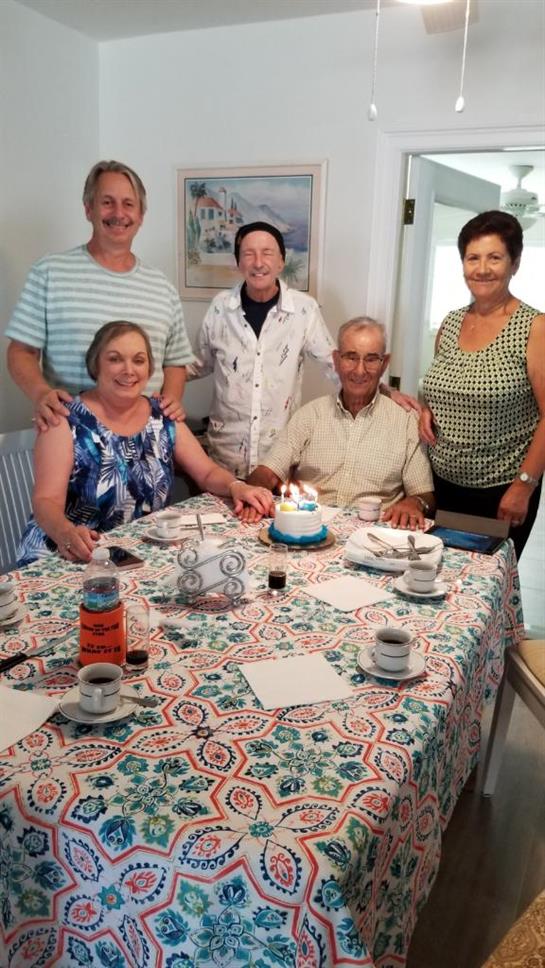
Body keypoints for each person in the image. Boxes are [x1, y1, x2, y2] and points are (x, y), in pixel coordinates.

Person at [16, 321, 274, 567]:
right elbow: (46, 500)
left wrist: (236, 486)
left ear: (150, 369)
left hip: (135, 555)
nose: (129, 370)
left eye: (138, 360)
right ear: (95, 365)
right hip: (67, 552)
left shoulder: (162, 415)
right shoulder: (63, 419)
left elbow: (206, 472)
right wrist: (66, 533)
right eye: (115, 359)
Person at [190, 221, 419, 478]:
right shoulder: (221, 308)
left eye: (267, 253)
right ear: (238, 262)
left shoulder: (303, 310)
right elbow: (199, 363)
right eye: (248, 254)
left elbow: (337, 367)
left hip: (278, 459)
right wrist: (153, 379)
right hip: (223, 460)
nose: (258, 262)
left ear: (281, 261)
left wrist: (386, 391)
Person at [6, 160, 194, 432]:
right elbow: (20, 351)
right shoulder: (50, 272)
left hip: (145, 443)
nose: (119, 213)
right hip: (68, 437)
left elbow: (175, 361)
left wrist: (172, 400)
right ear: (88, 209)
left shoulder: (162, 286)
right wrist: (40, 393)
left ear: (141, 215)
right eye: (107, 202)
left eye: (129, 204)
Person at [419, 211, 544, 559]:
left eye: (495, 257)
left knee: (483, 582)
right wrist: (427, 409)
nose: (483, 268)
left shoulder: (534, 327)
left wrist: (523, 487)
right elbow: (442, 384)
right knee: (437, 572)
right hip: (441, 484)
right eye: (473, 258)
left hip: (500, 491)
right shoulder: (451, 321)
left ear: (515, 263)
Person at [247, 317, 434, 529]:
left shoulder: (406, 422)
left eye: (371, 359)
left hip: (374, 538)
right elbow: (266, 472)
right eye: (351, 358)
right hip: (308, 531)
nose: (360, 370)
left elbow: (424, 494)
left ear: (384, 364)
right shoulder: (309, 415)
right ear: (336, 360)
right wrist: (255, 490)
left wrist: (414, 503)